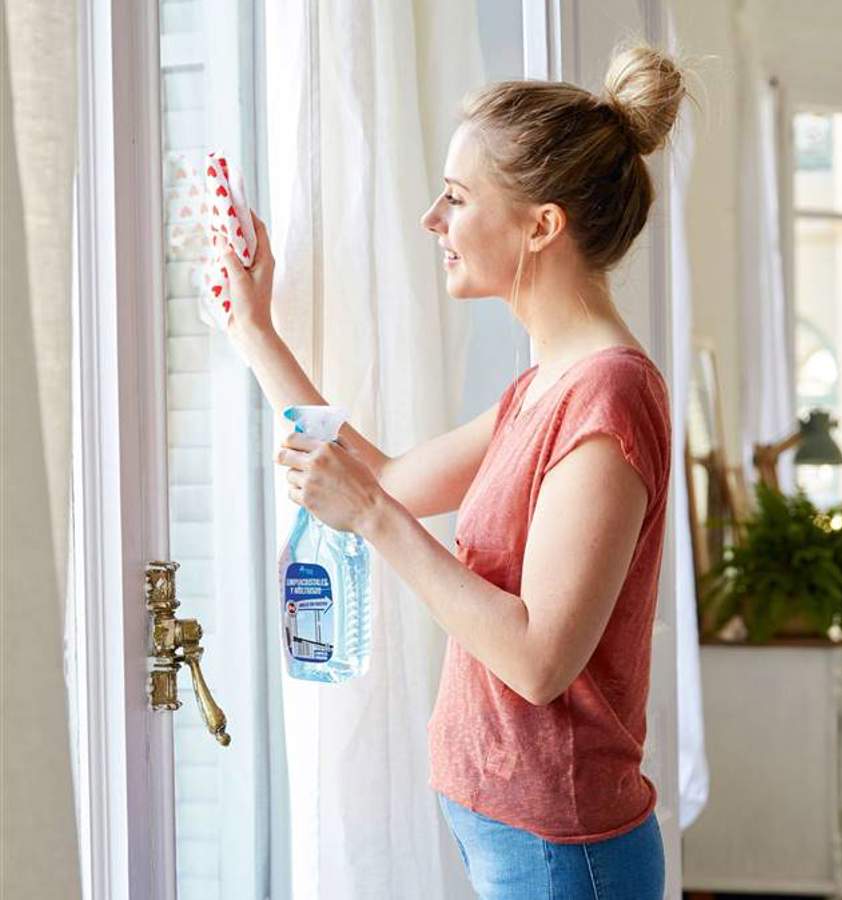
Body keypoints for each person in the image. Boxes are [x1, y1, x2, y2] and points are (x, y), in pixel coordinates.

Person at [219, 38, 689, 900]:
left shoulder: (609, 399)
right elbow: (389, 478)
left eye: (459, 197)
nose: (434, 218)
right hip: (510, 829)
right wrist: (257, 334)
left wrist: (371, 519)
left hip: (562, 850)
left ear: (542, 225)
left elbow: (539, 658)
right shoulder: (546, 386)